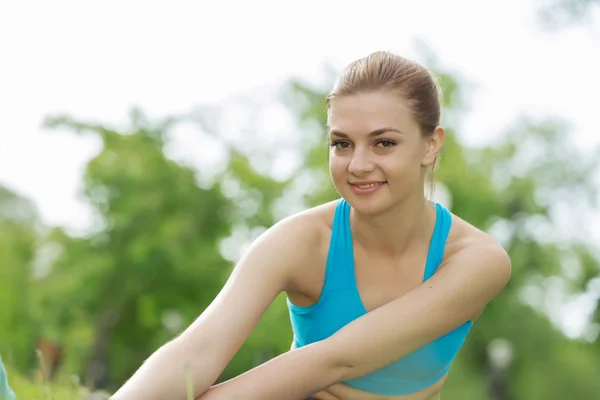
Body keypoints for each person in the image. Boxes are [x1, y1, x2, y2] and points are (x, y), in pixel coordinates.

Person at [110, 51, 511, 400]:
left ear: (431, 145)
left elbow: (336, 360)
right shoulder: (298, 241)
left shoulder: (476, 260)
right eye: (342, 143)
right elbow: (197, 351)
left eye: (383, 143)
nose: (358, 165)